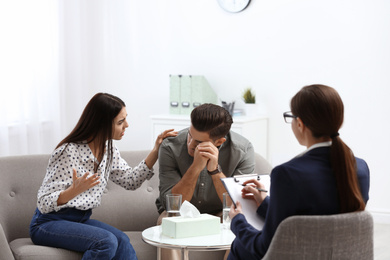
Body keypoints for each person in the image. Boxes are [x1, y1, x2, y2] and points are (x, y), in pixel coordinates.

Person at [227, 84, 370, 260]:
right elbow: (313, 220)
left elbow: (264, 248)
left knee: (239, 246)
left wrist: (237, 221)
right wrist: (265, 203)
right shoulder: (360, 168)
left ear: (300, 123)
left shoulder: (287, 174)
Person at [29, 93, 177, 260]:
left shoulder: (108, 150)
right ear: (102, 124)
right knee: (106, 242)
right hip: (47, 223)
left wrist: (156, 150)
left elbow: (131, 181)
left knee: (122, 240)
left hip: (79, 220)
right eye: (120, 122)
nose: (127, 125)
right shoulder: (68, 151)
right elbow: (44, 203)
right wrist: (72, 191)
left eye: (125, 119)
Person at [155, 103, 255, 259]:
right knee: (166, 222)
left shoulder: (243, 150)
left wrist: (214, 170)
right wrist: (195, 167)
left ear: (219, 142)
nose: (190, 144)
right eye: (190, 135)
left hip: (220, 213)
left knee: (243, 224)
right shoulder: (170, 146)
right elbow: (173, 206)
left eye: (198, 142)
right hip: (180, 214)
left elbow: (236, 204)